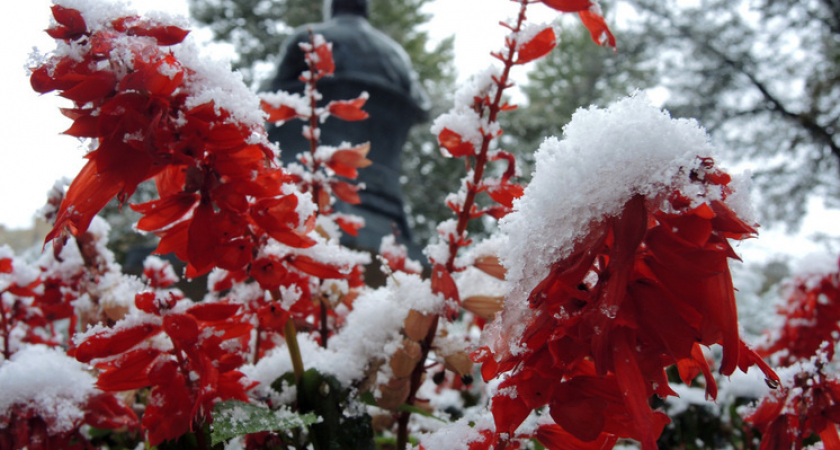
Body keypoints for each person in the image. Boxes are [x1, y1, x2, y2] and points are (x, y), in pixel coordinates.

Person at [263, 0, 430, 260]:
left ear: (333, 7)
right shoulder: (397, 55)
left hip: (300, 175)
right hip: (383, 189)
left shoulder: (308, 37)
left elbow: (271, 97)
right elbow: (422, 107)